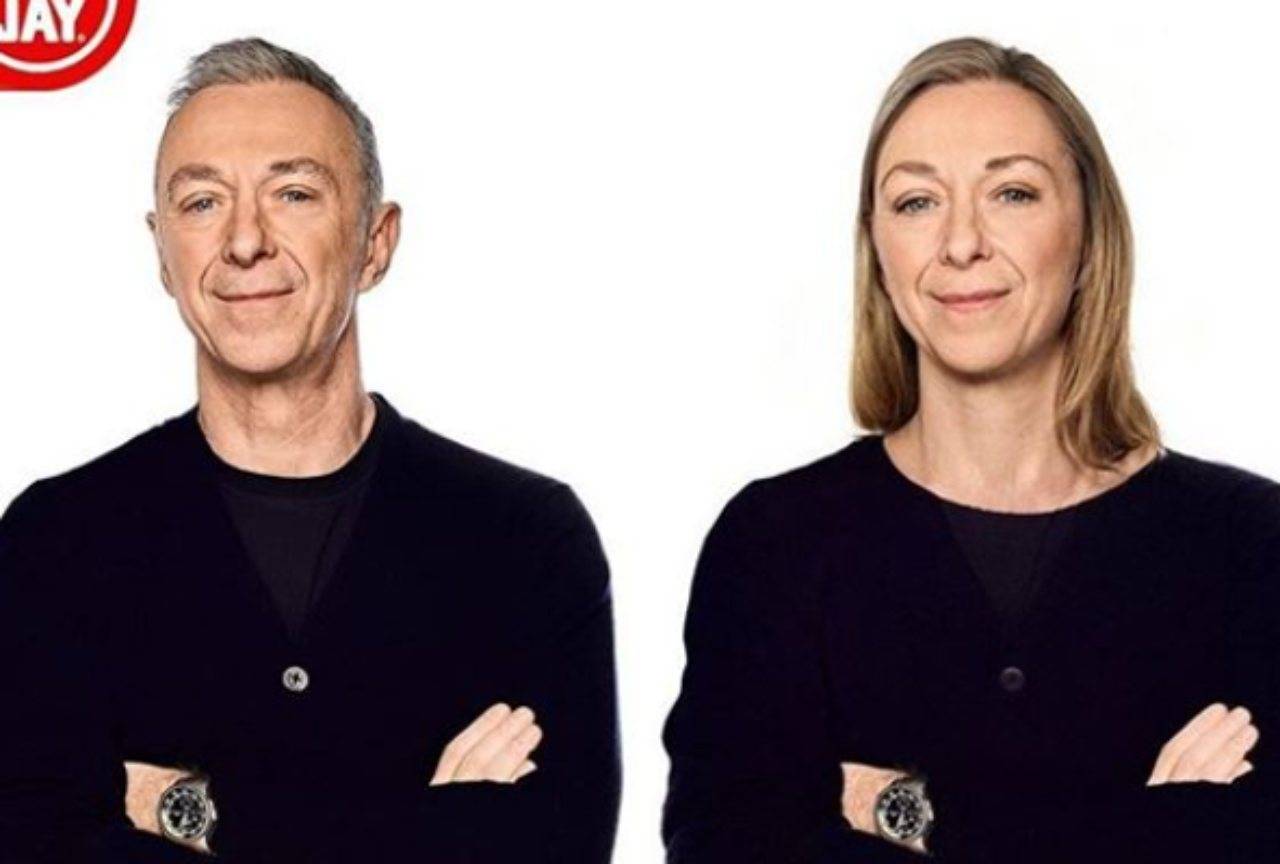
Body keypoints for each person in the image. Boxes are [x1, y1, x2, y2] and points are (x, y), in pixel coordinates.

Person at [0, 37, 621, 863]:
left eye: (293, 193)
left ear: (375, 242)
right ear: (162, 254)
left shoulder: (525, 539)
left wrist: (184, 809)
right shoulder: (56, 540)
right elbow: (35, 840)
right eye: (201, 203)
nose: (244, 241)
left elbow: (550, 847)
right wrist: (427, 821)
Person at [660, 36, 1280, 863]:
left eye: (1012, 193)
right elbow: (728, 845)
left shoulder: (1251, 546)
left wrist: (903, 811)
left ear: (1090, 232)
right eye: (917, 202)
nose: (961, 244)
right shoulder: (774, 544)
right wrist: (1150, 823)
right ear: (878, 250)